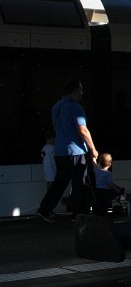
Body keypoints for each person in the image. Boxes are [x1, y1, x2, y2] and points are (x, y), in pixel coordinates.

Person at [36, 79, 99, 222]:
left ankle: (44, 209)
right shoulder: (75, 107)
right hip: (75, 150)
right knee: (79, 183)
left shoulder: (56, 106)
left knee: (60, 182)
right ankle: (78, 213)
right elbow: (82, 129)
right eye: (81, 89)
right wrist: (93, 149)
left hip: (60, 150)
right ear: (74, 91)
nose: (82, 93)